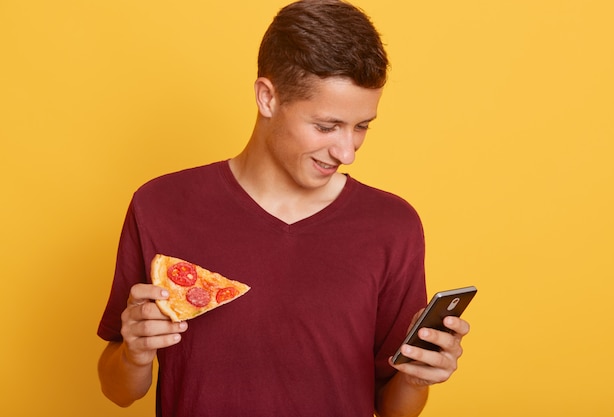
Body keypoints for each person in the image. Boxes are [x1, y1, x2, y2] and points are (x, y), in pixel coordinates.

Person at [97, 1, 471, 416]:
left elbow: (393, 409)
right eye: (326, 127)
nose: (347, 151)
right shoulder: (160, 205)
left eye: (362, 126)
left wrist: (416, 379)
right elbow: (118, 391)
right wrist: (133, 354)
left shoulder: (392, 226)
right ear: (267, 98)